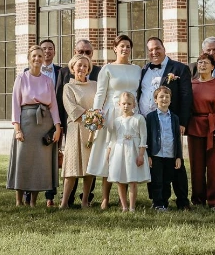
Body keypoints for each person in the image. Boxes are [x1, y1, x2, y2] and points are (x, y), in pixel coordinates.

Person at [86, 35, 142, 209]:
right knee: (109, 154)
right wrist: (96, 116)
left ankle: (123, 199)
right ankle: (105, 198)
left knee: (127, 154)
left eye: (128, 46)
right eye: (122, 46)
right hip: (111, 115)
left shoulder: (137, 69)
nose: (125, 49)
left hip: (131, 114)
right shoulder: (107, 68)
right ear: (115, 48)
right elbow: (100, 94)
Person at [137, 36, 192, 210]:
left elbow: (186, 97)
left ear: (164, 48)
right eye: (150, 50)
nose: (154, 52)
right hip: (148, 122)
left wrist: (182, 122)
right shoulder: (144, 70)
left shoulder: (179, 68)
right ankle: (158, 200)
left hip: (171, 122)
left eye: (157, 48)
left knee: (176, 162)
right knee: (154, 162)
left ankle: (182, 200)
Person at [7, 45, 62, 207]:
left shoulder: (47, 81)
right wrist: (17, 129)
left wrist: (57, 127)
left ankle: (33, 202)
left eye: (40, 56)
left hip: (44, 125)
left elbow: (53, 106)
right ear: (29, 58)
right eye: (34, 56)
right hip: (26, 124)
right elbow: (15, 105)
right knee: (23, 160)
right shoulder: (21, 78)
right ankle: (19, 201)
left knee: (40, 162)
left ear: (43, 59)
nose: (37, 59)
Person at [186, 53, 215, 210]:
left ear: (213, 66)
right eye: (200, 62)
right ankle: (198, 199)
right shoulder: (191, 84)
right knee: (196, 166)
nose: (202, 65)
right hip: (195, 127)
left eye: (206, 63)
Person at [56, 39, 100, 207]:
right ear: (73, 68)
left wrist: (97, 118)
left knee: (90, 167)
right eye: (79, 65)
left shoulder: (95, 85)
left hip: (91, 130)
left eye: (85, 66)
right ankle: (64, 202)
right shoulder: (69, 87)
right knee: (71, 167)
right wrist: (91, 115)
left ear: (89, 69)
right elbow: (72, 108)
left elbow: (100, 104)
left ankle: (85, 201)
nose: (82, 68)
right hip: (75, 129)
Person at [106, 91, 149, 212]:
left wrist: (141, 155)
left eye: (129, 104)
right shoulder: (117, 121)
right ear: (119, 104)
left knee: (132, 180)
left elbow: (143, 137)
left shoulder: (139, 118)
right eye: (124, 103)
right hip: (119, 152)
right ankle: (124, 206)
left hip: (133, 151)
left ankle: (132, 207)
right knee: (120, 180)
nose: (126, 106)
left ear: (134, 105)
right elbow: (113, 139)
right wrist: (109, 152)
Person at [145, 85, 183, 211]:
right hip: (156, 154)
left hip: (170, 154)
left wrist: (178, 156)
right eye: (161, 97)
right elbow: (147, 137)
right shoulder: (150, 117)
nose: (164, 99)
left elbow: (177, 138)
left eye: (167, 97)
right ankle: (157, 203)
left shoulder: (175, 118)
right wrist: (148, 155)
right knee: (156, 180)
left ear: (170, 100)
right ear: (155, 100)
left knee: (167, 180)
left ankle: (164, 202)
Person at [36, 39, 61, 208]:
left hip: (55, 119)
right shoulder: (28, 72)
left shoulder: (62, 71)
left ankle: (50, 196)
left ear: (54, 52)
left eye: (50, 48)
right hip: (36, 120)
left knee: (52, 158)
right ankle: (29, 194)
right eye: (44, 48)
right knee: (34, 156)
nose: (47, 51)